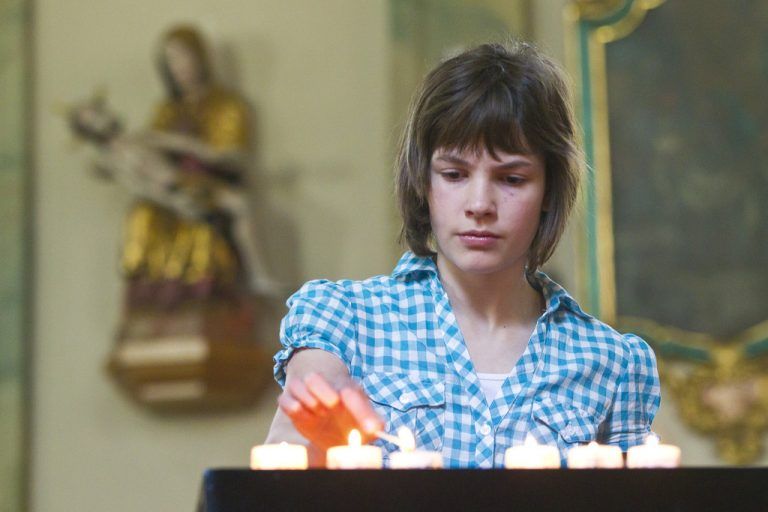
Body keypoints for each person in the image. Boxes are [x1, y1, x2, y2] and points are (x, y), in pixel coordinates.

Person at [265, 41, 660, 468]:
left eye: (511, 178)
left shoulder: (613, 363)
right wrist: (327, 427)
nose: (480, 204)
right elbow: (283, 466)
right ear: (423, 181)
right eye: (454, 174)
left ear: (549, 189)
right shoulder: (344, 318)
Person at [122, 25, 277, 303]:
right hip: (172, 187)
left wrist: (185, 145)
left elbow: (232, 158)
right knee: (142, 215)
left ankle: (257, 275)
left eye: (183, 57)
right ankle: (153, 300)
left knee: (233, 207)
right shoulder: (166, 110)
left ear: (201, 57)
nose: (177, 67)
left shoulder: (228, 105)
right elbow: (146, 156)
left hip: (209, 183)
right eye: (170, 60)